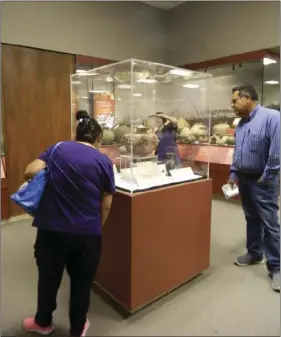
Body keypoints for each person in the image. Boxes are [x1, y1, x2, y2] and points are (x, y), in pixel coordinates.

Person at [22, 110, 115, 336]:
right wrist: (97, 228)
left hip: (51, 229)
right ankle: (77, 329)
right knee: (81, 285)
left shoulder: (57, 148)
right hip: (87, 234)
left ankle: (43, 323)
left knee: (48, 279)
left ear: (77, 134)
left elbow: (30, 171)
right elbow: (107, 204)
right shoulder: (104, 161)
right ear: (98, 139)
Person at [228, 84, 280, 292]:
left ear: (247, 98)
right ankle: (255, 253)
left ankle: (277, 267)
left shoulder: (271, 118)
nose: (232, 105)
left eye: (234, 101)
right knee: (251, 217)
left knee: (270, 223)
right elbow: (237, 151)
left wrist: (266, 178)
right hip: (244, 180)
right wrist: (233, 173)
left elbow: (276, 154)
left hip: (263, 181)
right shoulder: (241, 124)